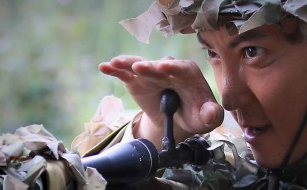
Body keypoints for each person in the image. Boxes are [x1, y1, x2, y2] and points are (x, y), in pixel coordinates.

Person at [91, 0, 307, 189]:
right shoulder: (237, 164)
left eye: (252, 51)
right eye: (212, 53)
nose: (229, 100)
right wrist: (156, 131)